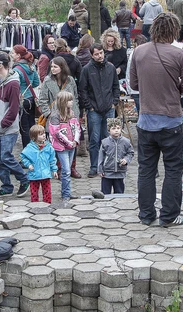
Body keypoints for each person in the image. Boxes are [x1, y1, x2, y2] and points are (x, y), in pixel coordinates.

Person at [128, 12, 183, 227]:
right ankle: (169, 215)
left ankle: (146, 215)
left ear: (153, 29)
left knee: (146, 171)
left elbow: (134, 85)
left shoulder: (138, 52)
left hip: (146, 121)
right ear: (174, 30)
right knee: (173, 170)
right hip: (172, 121)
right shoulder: (180, 55)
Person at [0, 51, 29, 197]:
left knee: (6, 157)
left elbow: (13, 109)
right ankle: (6, 186)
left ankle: (24, 179)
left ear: (1, 65)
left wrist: (3, 124)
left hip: (7, 129)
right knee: (0, 160)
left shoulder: (12, 84)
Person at [78, 43, 120, 178]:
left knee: (108, 138)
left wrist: (114, 102)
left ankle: (107, 165)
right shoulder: (87, 69)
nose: (100, 56)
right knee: (94, 139)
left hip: (109, 108)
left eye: (101, 53)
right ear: (92, 55)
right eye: (96, 54)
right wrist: (89, 106)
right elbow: (82, 90)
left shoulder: (110, 67)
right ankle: (94, 166)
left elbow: (116, 86)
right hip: (94, 109)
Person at [48, 90, 81, 200]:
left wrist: (75, 140)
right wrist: (68, 143)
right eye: (69, 100)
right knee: (66, 170)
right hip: (62, 148)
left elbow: (77, 127)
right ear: (63, 102)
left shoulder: (72, 114)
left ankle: (66, 192)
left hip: (72, 146)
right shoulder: (55, 116)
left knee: (68, 170)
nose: (72, 102)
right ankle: (66, 194)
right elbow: (56, 133)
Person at [20, 124, 57, 203]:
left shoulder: (48, 147)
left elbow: (52, 159)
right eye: (40, 134)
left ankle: (47, 204)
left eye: (44, 133)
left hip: (45, 174)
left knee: (47, 191)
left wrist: (54, 170)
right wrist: (28, 164)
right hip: (34, 174)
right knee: (34, 193)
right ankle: (34, 205)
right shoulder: (29, 148)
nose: (43, 135)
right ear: (34, 137)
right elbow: (23, 156)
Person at [98, 117, 133, 195]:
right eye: (113, 128)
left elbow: (130, 153)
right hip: (107, 173)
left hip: (120, 172)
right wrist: (100, 170)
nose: (116, 130)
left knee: (119, 194)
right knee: (105, 194)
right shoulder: (104, 142)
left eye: (118, 128)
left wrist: (126, 160)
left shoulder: (126, 142)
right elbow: (101, 157)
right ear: (108, 130)